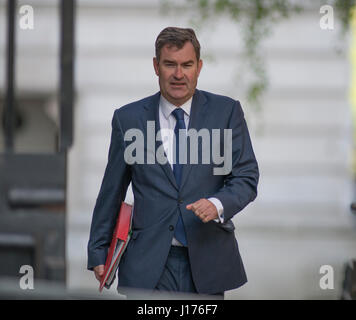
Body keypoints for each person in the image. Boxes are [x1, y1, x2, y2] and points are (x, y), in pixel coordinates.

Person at [87, 27, 259, 297]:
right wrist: (98, 249)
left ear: (199, 67)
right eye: (170, 64)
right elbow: (112, 190)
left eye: (187, 65)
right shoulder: (128, 119)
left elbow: (246, 177)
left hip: (207, 261)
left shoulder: (226, 113)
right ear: (156, 66)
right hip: (148, 264)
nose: (179, 74)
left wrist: (217, 204)